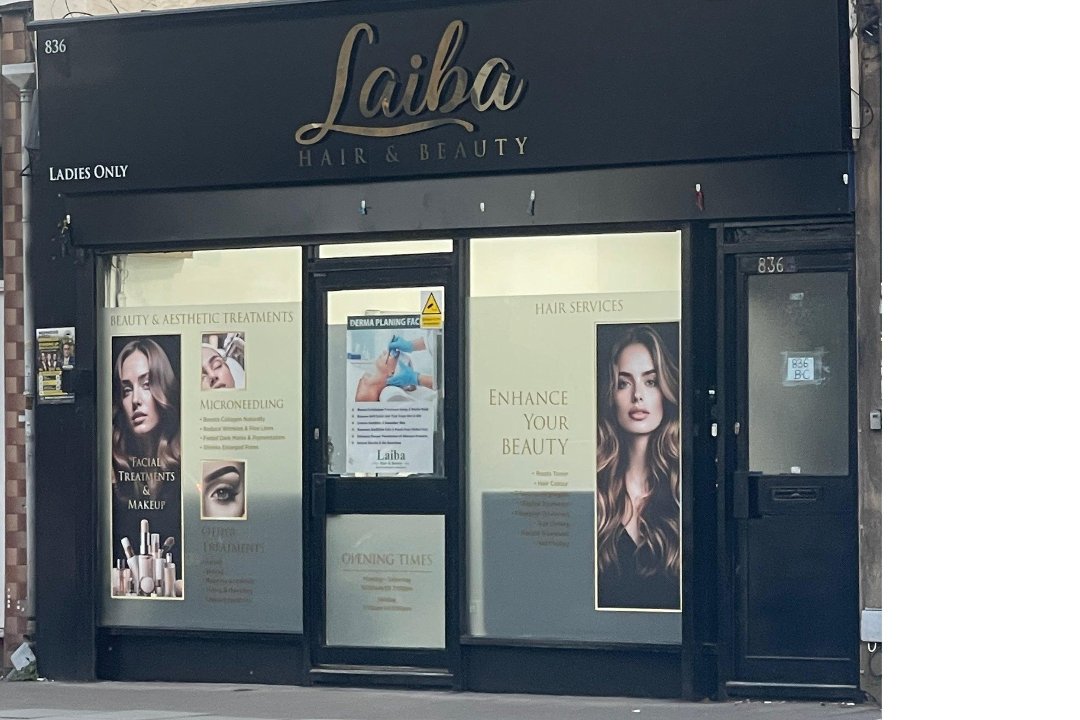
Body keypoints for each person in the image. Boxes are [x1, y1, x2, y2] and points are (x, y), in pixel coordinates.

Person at [596, 325, 681, 610]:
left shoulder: (680, 490)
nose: (637, 396)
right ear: (610, 395)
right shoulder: (597, 494)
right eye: (624, 383)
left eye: (651, 381)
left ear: (665, 390)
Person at [111, 337, 182, 589]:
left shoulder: (184, 469)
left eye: (146, 384)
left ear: (164, 388)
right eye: (127, 390)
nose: (135, 400)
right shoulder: (113, 473)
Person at [354, 335, 434, 402]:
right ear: (392, 373)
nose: (384, 352)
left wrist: (412, 345)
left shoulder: (411, 386)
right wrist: (417, 379)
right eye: (366, 381)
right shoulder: (391, 393)